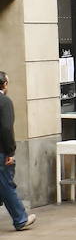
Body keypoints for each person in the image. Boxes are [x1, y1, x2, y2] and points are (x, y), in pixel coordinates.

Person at [0, 71, 34, 231]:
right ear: (4, 84)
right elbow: (6, 128)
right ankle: (20, 218)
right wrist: (10, 151)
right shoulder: (4, 101)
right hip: (1, 150)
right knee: (6, 184)